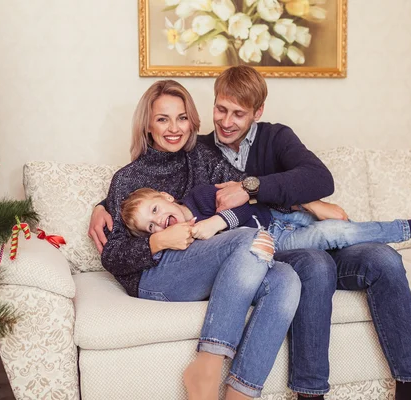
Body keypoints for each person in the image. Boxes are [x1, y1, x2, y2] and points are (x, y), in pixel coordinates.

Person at [89, 66, 411, 400]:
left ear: (256, 111)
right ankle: (282, 384)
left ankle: (410, 384)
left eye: (237, 114)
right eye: (221, 110)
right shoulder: (189, 156)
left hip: (285, 235)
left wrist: (293, 200)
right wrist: (109, 211)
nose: (226, 121)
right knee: (290, 257)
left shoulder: (238, 148)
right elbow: (133, 206)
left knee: (370, 260)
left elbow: (290, 187)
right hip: (247, 249)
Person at [101, 79, 301, 400]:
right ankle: (206, 366)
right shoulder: (128, 178)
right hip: (154, 278)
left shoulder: (203, 160)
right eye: (162, 119)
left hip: (201, 266)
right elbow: (112, 257)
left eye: (181, 118)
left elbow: (251, 198)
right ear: (148, 126)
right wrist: (160, 240)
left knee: (286, 279)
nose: (174, 128)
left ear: (192, 120)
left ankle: (241, 392)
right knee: (246, 239)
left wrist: (309, 201)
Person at [120, 185, 411, 250]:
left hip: (276, 214)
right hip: (278, 241)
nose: (159, 221)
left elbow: (246, 206)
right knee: (335, 234)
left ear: (166, 197)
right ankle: (405, 229)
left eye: (155, 210)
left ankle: (384, 230)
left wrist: (216, 221)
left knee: (344, 226)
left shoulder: (202, 197)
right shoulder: (184, 242)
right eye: (150, 226)